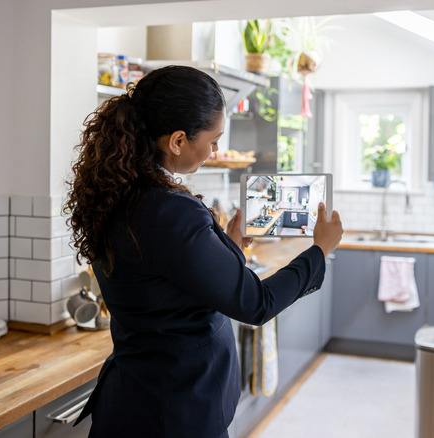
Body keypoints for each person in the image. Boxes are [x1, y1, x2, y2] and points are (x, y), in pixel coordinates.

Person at [65, 65, 343, 437]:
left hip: (135, 404)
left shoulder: (118, 195)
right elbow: (255, 303)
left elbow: (169, 280)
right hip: (173, 415)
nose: (214, 151)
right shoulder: (170, 210)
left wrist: (225, 246)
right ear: (178, 140)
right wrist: (319, 251)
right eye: (213, 140)